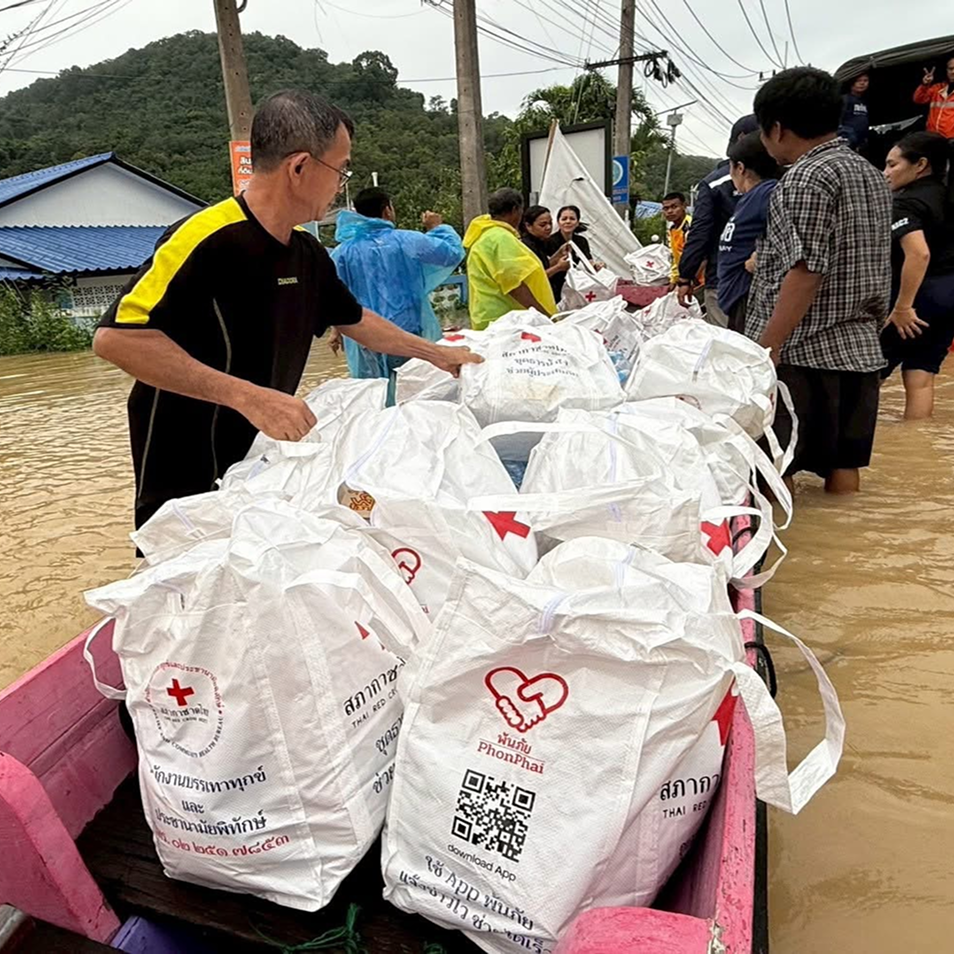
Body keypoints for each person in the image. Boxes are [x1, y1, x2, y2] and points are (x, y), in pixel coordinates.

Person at [93, 89, 480, 530]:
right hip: (187, 471)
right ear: (299, 167)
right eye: (341, 169)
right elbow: (116, 339)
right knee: (183, 567)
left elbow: (354, 319)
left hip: (262, 461)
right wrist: (248, 397)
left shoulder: (307, 252)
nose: (341, 184)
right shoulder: (206, 238)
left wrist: (437, 354)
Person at [747, 67, 892, 495]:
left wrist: (768, 347)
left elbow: (806, 270)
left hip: (801, 353)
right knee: (844, 468)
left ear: (777, 128)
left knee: (776, 470)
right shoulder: (871, 174)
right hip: (860, 352)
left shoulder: (803, 178)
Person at [328, 187, 464, 381]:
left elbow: (334, 295)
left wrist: (336, 329)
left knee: (373, 391)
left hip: (365, 335)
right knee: (415, 386)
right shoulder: (409, 240)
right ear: (387, 210)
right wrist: (437, 228)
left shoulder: (342, 253)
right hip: (408, 333)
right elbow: (451, 253)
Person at [880, 132, 954, 419]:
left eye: (892, 165)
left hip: (916, 299)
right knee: (921, 376)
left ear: (920, 165)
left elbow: (918, 253)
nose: (885, 173)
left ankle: (858, 442)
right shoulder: (947, 196)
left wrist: (903, 306)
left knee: (869, 375)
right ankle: (916, 437)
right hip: (948, 299)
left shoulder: (906, 202)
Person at [676, 114, 761, 326]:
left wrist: (685, 277)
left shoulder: (714, 184)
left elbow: (700, 232)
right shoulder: (781, 179)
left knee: (727, 342)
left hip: (724, 280)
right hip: (769, 281)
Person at [462, 188, 557, 330]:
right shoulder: (501, 239)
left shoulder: (486, 235)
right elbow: (515, 285)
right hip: (507, 321)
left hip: (492, 317)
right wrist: (545, 317)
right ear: (515, 210)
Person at [717, 132, 781, 333]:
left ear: (740, 168)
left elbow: (787, 235)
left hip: (749, 299)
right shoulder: (751, 197)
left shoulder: (769, 192)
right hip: (737, 301)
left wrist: (760, 258)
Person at [547, 205, 597, 303]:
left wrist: (597, 266)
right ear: (558, 222)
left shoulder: (581, 241)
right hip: (553, 286)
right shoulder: (549, 241)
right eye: (564, 219)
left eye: (572, 219)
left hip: (574, 286)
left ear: (577, 222)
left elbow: (589, 262)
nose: (568, 221)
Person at [520, 205, 570, 299]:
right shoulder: (526, 246)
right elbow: (534, 277)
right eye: (542, 225)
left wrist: (559, 254)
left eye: (550, 223)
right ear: (528, 226)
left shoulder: (542, 241)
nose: (548, 227)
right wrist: (558, 267)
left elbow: (543, 266)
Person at [913, 57, 954, 140]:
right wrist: (925, 85)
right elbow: (919, 99)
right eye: (951, 69)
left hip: (951, 139)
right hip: (932, 137)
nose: (953, 72)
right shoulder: (937, 88)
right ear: (946, 70)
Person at [661, 192, 693, 288]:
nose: (670, 211)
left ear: (684, 206)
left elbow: (700, 256)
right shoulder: (672, 229)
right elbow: (675, 257)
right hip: (685, 278)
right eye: (666, 208)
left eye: (674, 207)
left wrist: (689, 282)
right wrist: (674, 280)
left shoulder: (690, 227)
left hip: (698, 280)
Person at [839, 72, 870, 151]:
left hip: (860, 142)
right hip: (846, 140)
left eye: (865, 80)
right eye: (858, 81)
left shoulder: (864, 101)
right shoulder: (845, 99)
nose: (862, 83)